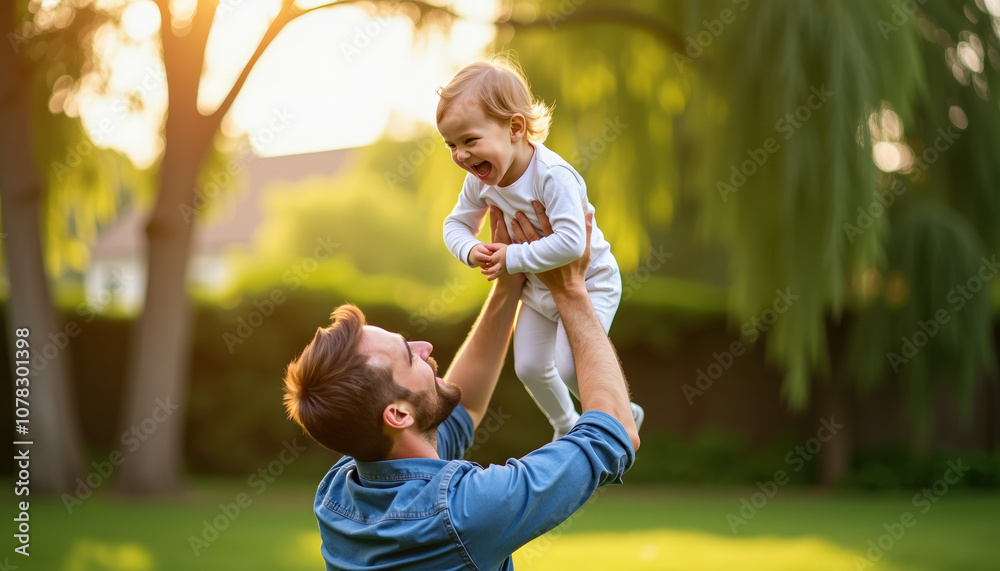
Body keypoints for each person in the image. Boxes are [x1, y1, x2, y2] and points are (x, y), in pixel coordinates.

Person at [283, 203, 640, 570]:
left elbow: (463, 408)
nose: (426, 347)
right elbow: (616, 433)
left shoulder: (339, 495)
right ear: (397, 414)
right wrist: (570, 292)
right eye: (409, 356)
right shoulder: (465, 512)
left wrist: (509, 281)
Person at [438, 55, 643, 440]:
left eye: (470, 140)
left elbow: (571, 243)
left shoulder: (552, 176)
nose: (461, 155)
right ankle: (565, 424)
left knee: (569, 367)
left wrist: (511, 257)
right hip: (536, 287)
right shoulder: (480, 181)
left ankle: (621, 413)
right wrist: (470, 249)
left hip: (591, 282)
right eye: (451, 144)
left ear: (515, 127)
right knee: (530, 367)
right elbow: (455, 224)